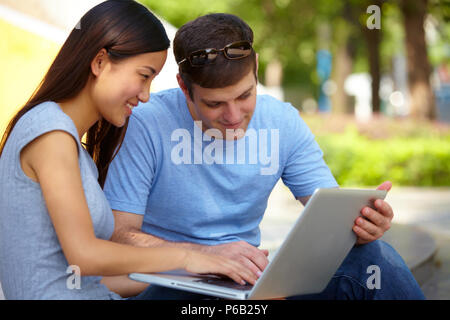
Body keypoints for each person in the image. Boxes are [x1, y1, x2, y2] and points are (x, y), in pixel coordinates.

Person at [104, 13, 425, 300]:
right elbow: (119, 236)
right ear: (184, 88)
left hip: (249, 285)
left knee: (373, 260)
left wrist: (359, 227)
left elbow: (329, 214)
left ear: (255, 66)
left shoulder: (282, 121)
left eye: (245, 96)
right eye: (215, 104)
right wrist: (201, 255)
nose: (233, 116)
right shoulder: (144, 123)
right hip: (171, 282)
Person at [0, 1, 256, 300]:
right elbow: (85, 256)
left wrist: (203, 275)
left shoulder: (69, 143)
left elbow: (81, 280)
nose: (146, 95)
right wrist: (187, 257)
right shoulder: (51, 133)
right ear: (99, 63)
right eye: (144, 75)